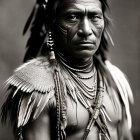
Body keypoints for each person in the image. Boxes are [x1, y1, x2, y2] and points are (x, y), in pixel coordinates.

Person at [1, 0, 134, 140]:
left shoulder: (113, 79)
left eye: (94, 16)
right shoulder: (38, 88)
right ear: (50, 25)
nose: (86, 30)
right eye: (72, 17)